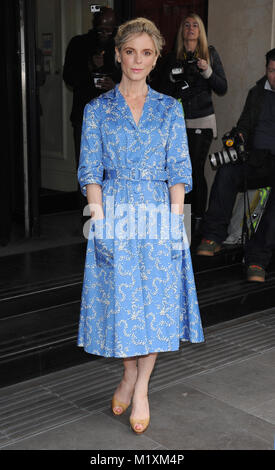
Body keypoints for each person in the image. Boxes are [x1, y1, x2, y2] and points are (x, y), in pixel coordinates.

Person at [77, 17, 204, 434]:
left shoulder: (170, 109)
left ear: (155, 58)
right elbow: (90, 170)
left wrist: (174, 225)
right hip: (114, 214)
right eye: (129, 51)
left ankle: (142, 385)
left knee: (157, 307)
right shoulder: (97, 110)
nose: (137, 59)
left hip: (157, 216)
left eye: (146, 52)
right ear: (117, 54)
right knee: (124, 304)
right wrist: (97, 221)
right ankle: (128, 374)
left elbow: (179, 172)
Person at [197, 48, 275, 283]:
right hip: (255, 159)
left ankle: (257, 258)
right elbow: (244, 126)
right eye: (272, 71)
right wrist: (238, 136)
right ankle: (212, 236)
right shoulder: (257, 93)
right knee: (227, 169)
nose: (274, 76)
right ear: (266, 70)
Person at [153, 12, 227, 239]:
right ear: (181, 30)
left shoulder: (209, 54)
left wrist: (206, 70)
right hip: (177, 124)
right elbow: (160, 90)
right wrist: (174, 82)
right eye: (187, 25)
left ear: (201, 31)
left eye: (195, 25)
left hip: (202, 121)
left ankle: (197, 222)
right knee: (178, 173)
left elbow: (222, 87)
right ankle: (181, 222)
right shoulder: (172, 58)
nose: (191, 29)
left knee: (194, 169)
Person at [63, 6, 120, 169]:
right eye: (101, 30)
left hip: (114, 118)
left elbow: (133, 79)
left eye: (109, 31)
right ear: (94, 26)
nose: (104, 34)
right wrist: (90, 66)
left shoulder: (121, 46)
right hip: (84, 117)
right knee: (86, 170)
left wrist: (115, 86)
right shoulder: (78, 44)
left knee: (113, 170)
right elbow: (69, 78)